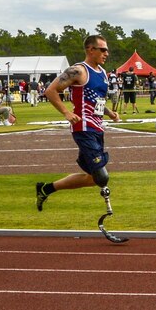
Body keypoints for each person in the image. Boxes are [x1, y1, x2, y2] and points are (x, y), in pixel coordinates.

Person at [35, 35, 122, 212]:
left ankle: (46, 189)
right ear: (91, 49)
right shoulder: (79, 70)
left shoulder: (103, 73)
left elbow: (96, 100)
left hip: (97, 128)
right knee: (102, 177)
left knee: (93, 178)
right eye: (103, 49)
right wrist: (66, 112)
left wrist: (109, 113)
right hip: (83, 128)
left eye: (107, 50)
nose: (107, 53)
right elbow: (51, 91)